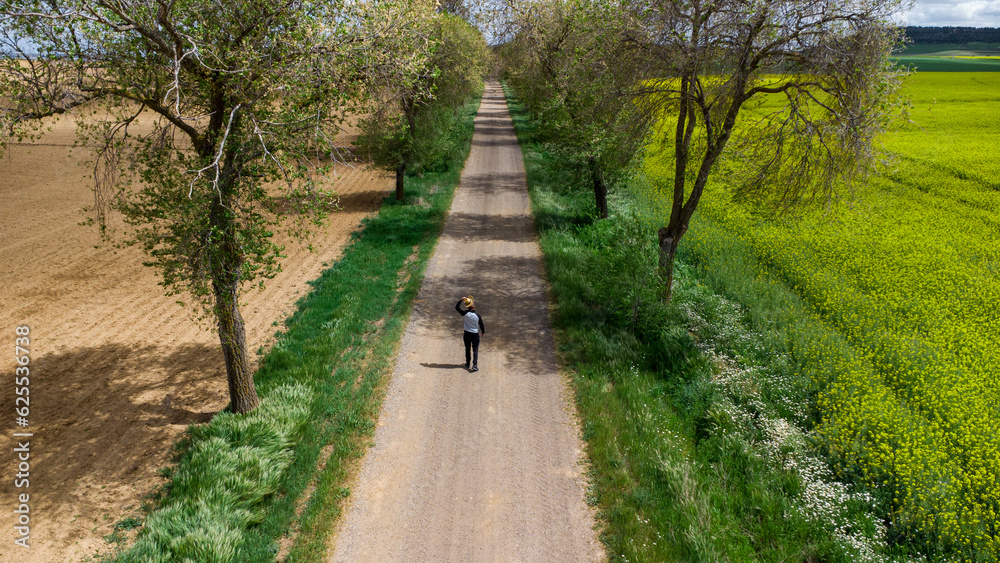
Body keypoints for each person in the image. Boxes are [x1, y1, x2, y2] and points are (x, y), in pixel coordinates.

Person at [455, 296, 485, 371]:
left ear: (467, 307)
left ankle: (467, 363)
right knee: (475, 349)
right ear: (474, 307)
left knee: (467, 348)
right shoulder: (477, 316)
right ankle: (475, 364)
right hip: (475, 335)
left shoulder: (464, 313)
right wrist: (483, 332)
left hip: (467, 334)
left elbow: (457, 307)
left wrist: (461, 300)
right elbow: (481, 325)